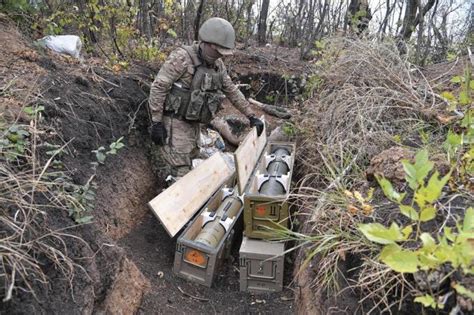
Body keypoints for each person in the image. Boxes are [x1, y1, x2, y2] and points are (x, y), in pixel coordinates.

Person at [148, 17, 264, 178]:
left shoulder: (217, 65)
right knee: (180, 170)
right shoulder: (182, 58)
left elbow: (231, 90)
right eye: (217, 51)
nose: (219, 56)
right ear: (208, 43)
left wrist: (251, 116)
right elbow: (159, 87)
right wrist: (157, 122)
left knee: (193, 158)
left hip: (195, 125)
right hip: (176, 122)